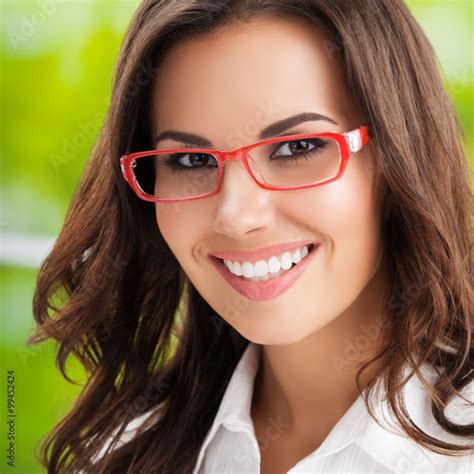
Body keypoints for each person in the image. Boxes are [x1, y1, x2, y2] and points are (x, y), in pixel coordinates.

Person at [30, 0, 473, 473]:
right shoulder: (123, 453)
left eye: (297, 147)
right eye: (191, 161)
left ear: (397, 155)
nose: (237, 216)